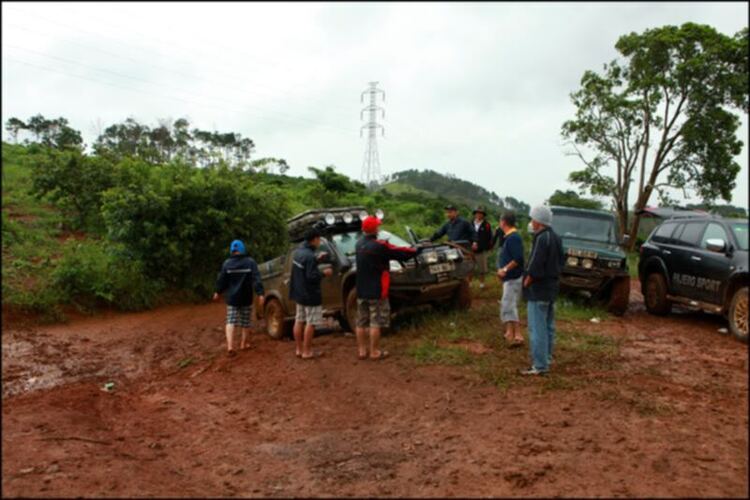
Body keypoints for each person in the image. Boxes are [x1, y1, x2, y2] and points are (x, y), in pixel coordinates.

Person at [355, 216, 417, 360]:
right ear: (374, 229)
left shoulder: (358, 244)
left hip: (361, 289)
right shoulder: (379, 245)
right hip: (376, 289)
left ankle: (362, 351)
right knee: (375, 322)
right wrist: (416, 250)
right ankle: (375, 352)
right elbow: (402, 253)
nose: (379, 228)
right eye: (377, 226)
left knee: (361, 321)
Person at [521, 205, 565, 375]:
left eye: (533, 219)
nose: (531, 222)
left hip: (538, 290)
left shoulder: (541, 238)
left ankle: (539, 366)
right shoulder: (556, 237)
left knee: (537, 328)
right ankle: (546, 358)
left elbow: (535, 264)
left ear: (538, 221)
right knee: (548, 327)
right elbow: (561, 262)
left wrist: (527, 281)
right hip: (551, 288)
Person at [213, 239, 265, 356]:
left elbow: (222, 280)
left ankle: (230, 346)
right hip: (246, 297)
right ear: (242, 249)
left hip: (232, 298)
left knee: (230, 320)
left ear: (232, 250)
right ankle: (243, 344)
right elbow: (256, 279)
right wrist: (260, 293)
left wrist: (217, 292)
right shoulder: (250, 262)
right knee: (245, 322)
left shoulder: (227, 263)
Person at [289, 228, 333, 360]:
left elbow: (304, 268)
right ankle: (307, 352)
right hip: (310, 294)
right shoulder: (309, 256)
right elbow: (311, 276)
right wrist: (324, 273)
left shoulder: (298, 252)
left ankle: (299, 349)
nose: (319, 241)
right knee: (311, 322)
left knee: (299, 320)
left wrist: (316, 260)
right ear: (314, 239)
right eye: (319, 239)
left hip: (299, 293)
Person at [496, 212, 524, 346]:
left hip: (513, 277)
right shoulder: (508, 237)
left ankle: (517, 334)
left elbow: (518, 259)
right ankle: (509, 331)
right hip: (509, 278)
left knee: (509, 305)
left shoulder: (513, 238)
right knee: (508, 304)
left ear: (503, 222)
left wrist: (505, 269)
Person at [471, 206, 494, 289]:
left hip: (481, 250)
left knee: (482, 269)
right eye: (477, 213)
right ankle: (469, 284)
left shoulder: (486, 225)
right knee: (469, 267)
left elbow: (489, 237)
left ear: (483, 215)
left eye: (480, 213)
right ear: (475, 214)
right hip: (470, 250)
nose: (478, 215)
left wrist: (489, 247)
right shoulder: (470, 223)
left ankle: (482, 284)